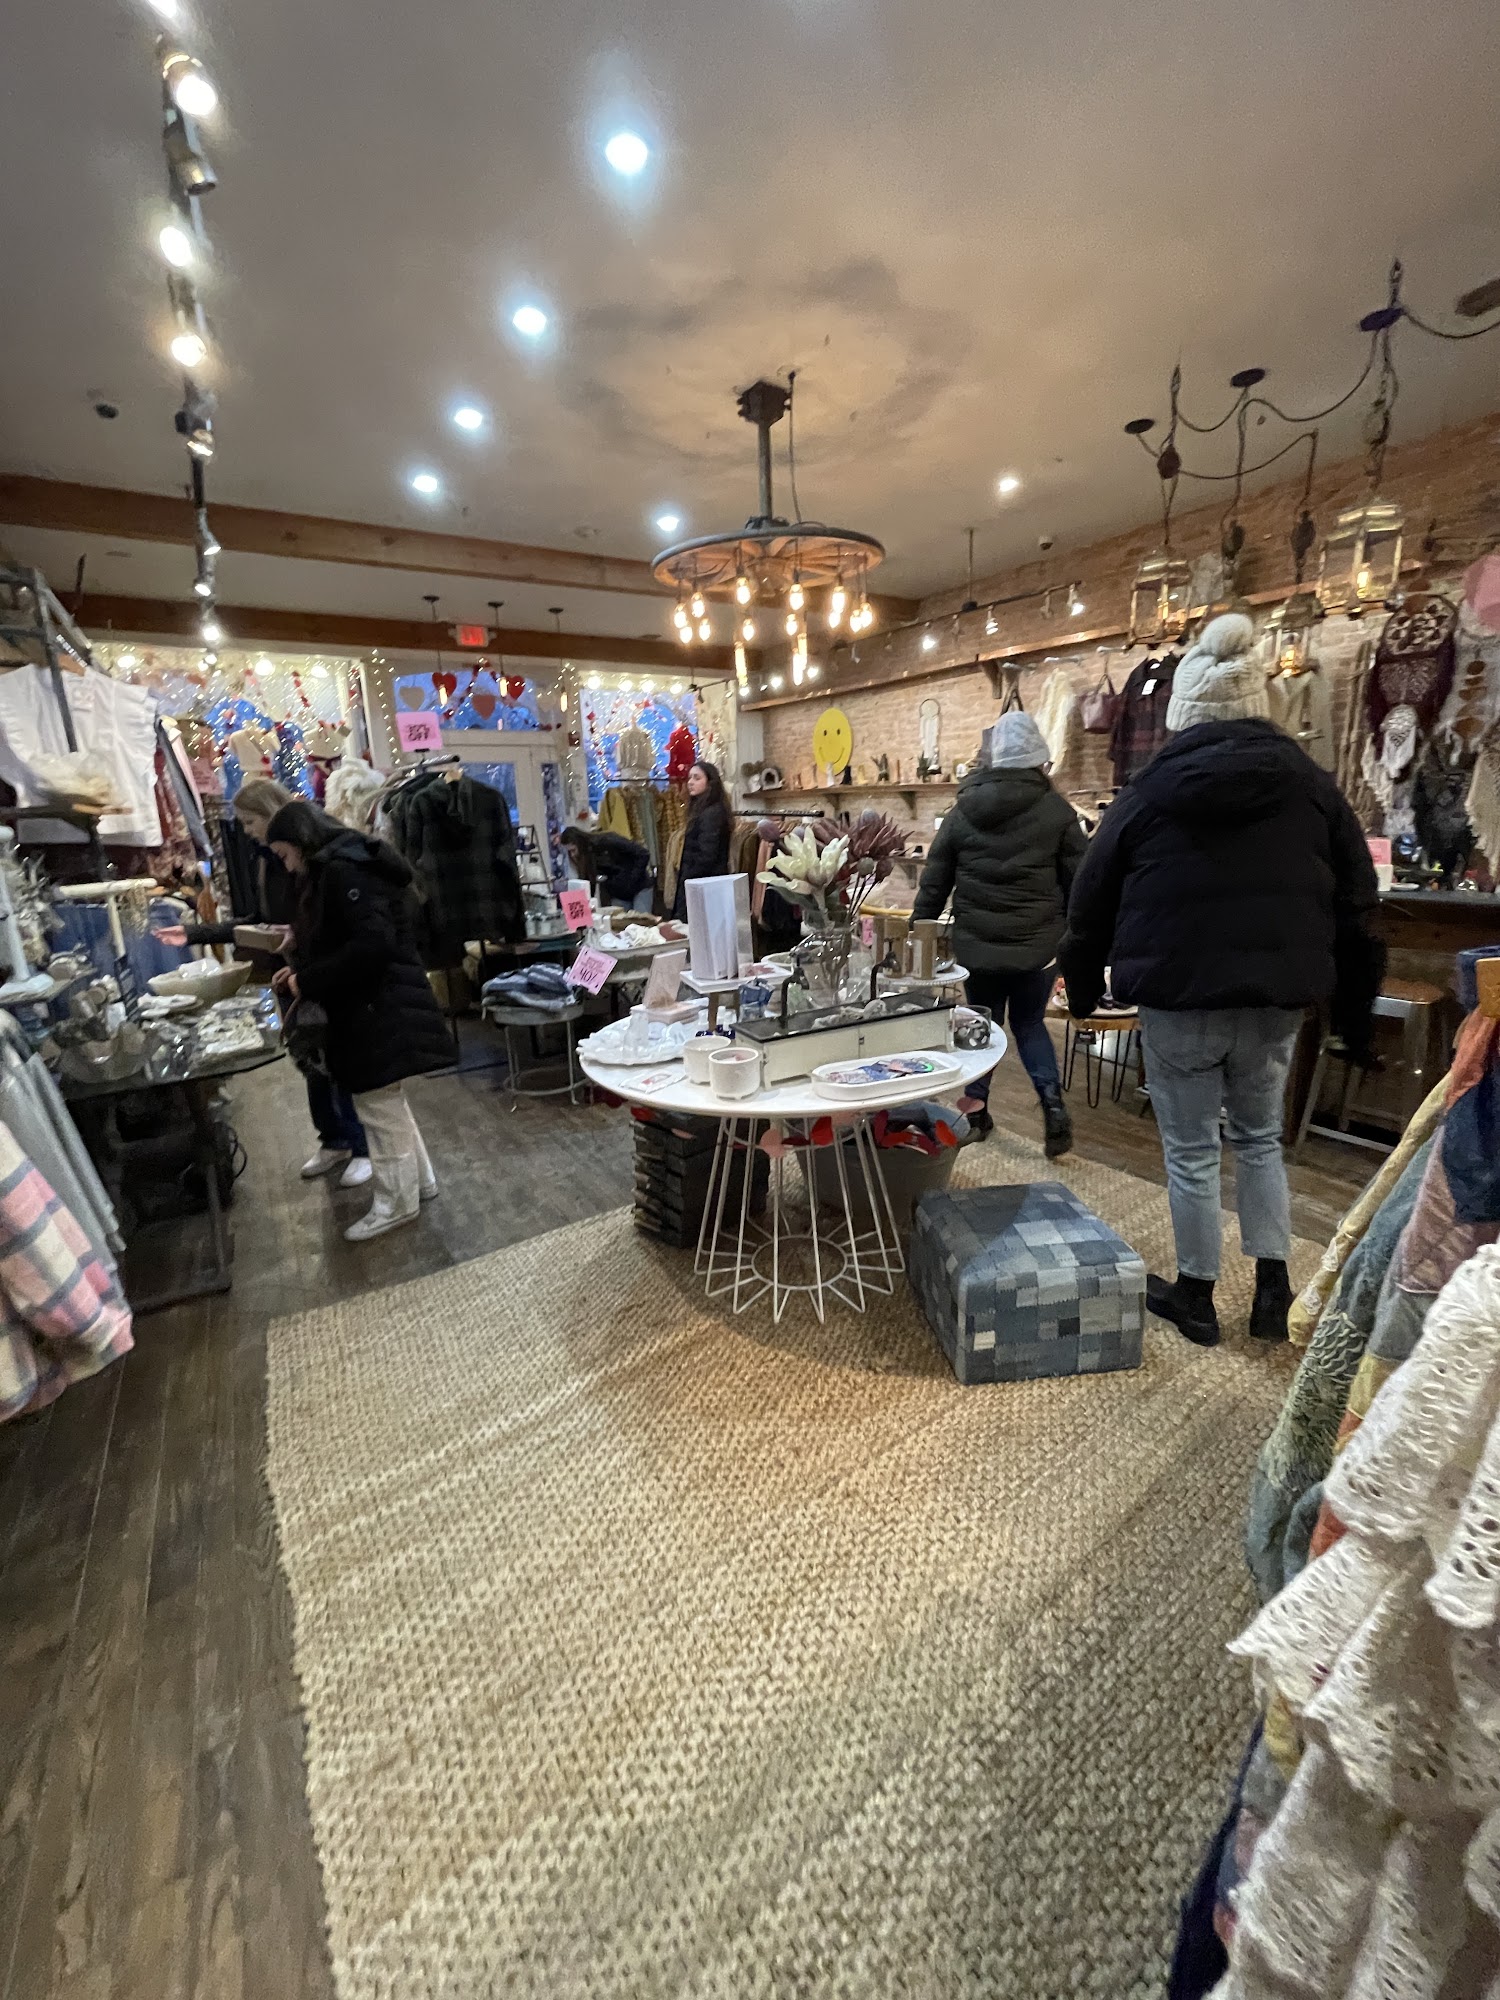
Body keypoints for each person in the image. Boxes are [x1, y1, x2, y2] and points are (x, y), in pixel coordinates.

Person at [1057, 611, 1384, 1347]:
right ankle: (1273, 1293)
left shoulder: (1146, 792)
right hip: (1276, 997)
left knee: (1192, 1149)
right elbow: (1359, 905)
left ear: (1184, 713)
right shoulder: (1313, 787)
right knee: (1262, 1138)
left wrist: (1080, 989)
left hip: (1178, 996)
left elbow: (1089, 901)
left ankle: (1197, 1296)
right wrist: (1355, 1016)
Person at [265, 801, 455, 1243]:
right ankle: (419, 1184)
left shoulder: (342, 871)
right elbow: (356, 938)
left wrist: (306, 979)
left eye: (284, 854)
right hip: (379, 1003)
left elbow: (371, 946)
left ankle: (396, 1203)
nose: (286, 865)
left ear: (300, 841)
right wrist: (301, 961)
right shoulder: (347, 864)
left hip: (374, 1007)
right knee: (386, 1102)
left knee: (378, 1106)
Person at [175, 778, 372, 1188]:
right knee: (310, 1060)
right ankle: (335, 1139)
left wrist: (299, 942)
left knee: (339, 1061)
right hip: (293, 970)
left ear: (271, 813)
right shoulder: (268, 859)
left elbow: (333, 923)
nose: (246, 831)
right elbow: (261, 920)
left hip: (321, 971)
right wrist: (196, 934)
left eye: (250, 822)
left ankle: (361, 1146)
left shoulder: (317, 856)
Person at [912, 710, 1086, 1157]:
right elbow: (1081, 884)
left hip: (978, 948)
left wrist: (918, 932)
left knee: (982, 1026)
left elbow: (934, 881)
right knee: (1030, 1024)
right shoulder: (1058, 812)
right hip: (1037, 950)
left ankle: (976, 1116)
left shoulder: (962, 811)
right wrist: (1072, 937)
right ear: (1038, 759)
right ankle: (1053, 1108)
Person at [671, 760, 732, 918]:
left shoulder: (712, 813)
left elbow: (707, 855)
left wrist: (688, 878)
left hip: (704, 886)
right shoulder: (704, 809)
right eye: (690, 777)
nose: (690, 782)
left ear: (710, 782)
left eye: (697, 778)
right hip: (701, 884)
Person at [561, 822, 654, 911]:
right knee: (621, 921)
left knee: (642, 920)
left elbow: (643, 854)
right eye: (569, 852)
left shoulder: (609, 841)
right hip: (619, 893)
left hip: (640, 887)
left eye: (573, 850)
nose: (572, 855)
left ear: (579, 843)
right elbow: (588, 882)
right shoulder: (586, 857)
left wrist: (632, 879)